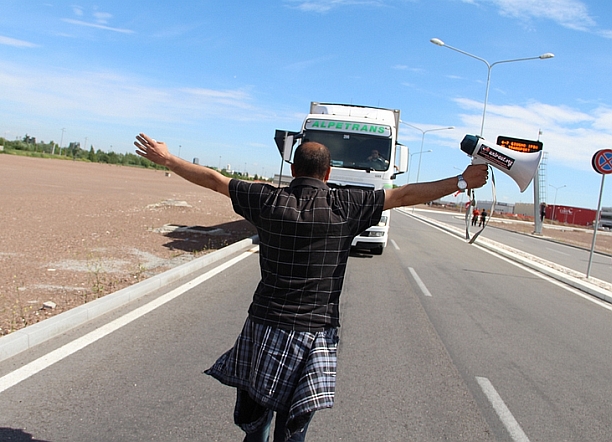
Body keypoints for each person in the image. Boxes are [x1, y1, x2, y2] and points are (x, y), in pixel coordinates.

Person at [133, 133, 488, 441]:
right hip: (314, 336)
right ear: (328, 173)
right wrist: (461, 181)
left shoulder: (267, 200)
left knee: (255, 426)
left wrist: (167, 159)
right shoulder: (347, 203)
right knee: (293, 433)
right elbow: (405, 193)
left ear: (292, 170)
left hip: (263, 329)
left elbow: (214, 180)